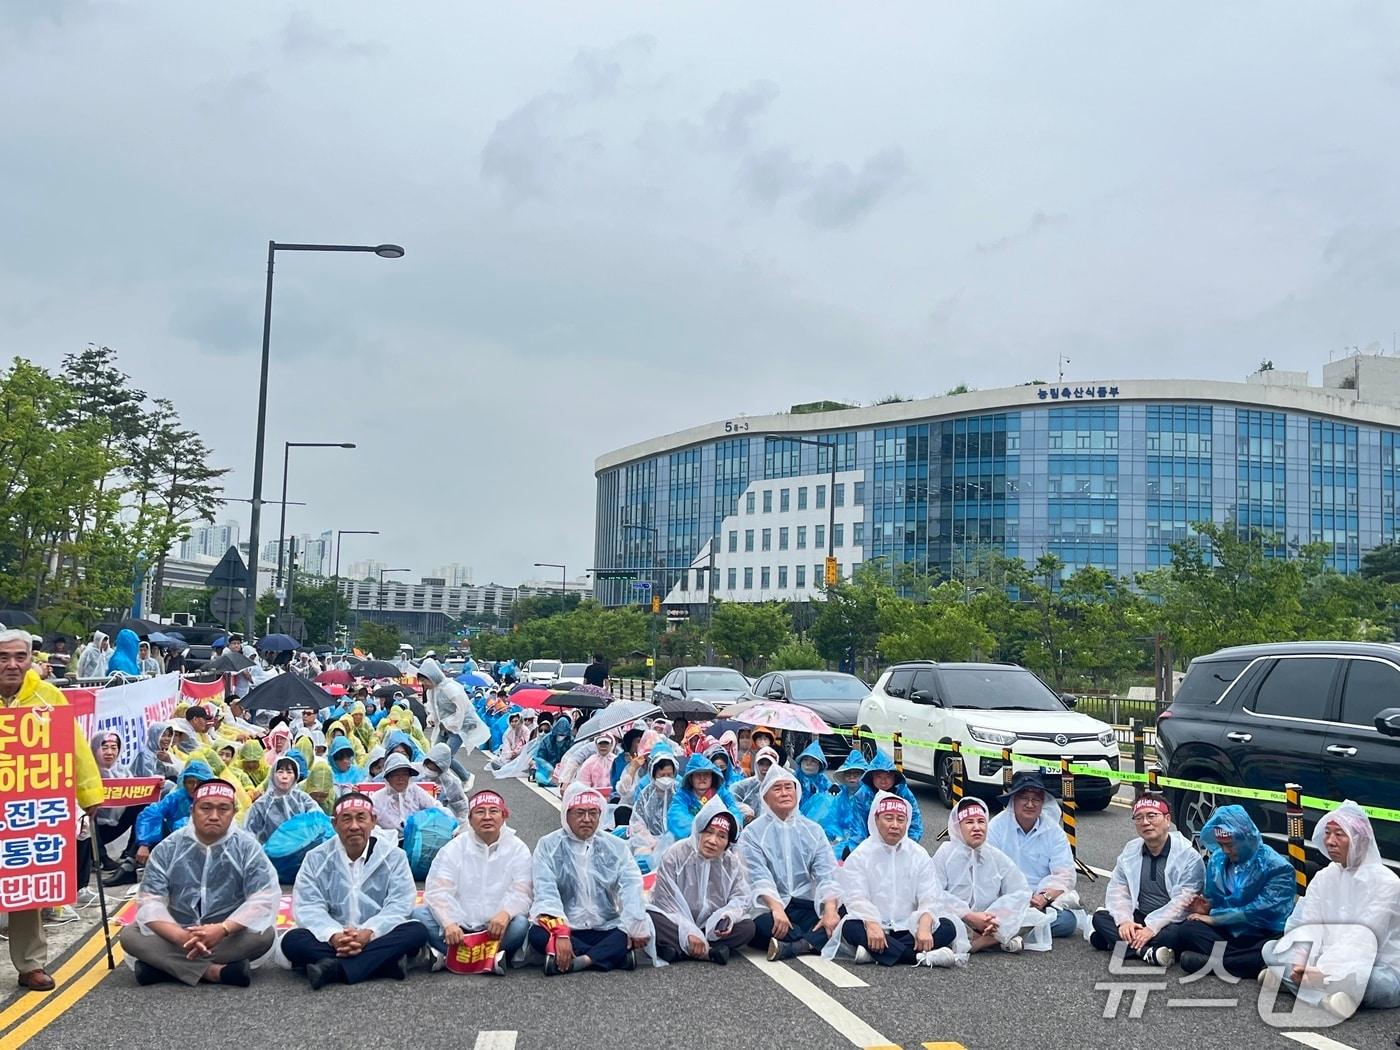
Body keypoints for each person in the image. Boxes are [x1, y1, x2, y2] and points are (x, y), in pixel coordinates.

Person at [0, 629, 105, 989]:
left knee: (24, 880)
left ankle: (30, 964)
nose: (12, 665)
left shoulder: (48, 696)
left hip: (25, 808)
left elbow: (74, 748)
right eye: (3, 657)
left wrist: (90, 793)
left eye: (19, 657)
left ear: (31, 659)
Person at [119, 779, 278, 987]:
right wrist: (179, 936)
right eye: (206, 808)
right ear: (192, 810)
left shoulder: (248, 847)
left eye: (223, 809)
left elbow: (263, 898)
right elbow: (151, 902)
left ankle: (165, 969)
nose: (214, 816)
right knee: (130, 935)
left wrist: (222, 929)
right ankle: (214, 972)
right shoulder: (168, 848)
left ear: (233, 812)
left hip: (226, 934)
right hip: (177, 932)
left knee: (264, 935)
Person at [1262, 799, 1400, 1016]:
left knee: (1370, 981)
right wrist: (1302, 962)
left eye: (1340, 834)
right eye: (1327, 833)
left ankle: (1292, 983)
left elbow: (1363, 939)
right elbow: (1307, 923)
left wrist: (1325, 973)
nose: (1330, 841)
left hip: (1375, 966)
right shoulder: (1325, 876)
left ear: (1360, 840)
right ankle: (1327, 997)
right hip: (1320, 961)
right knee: (1270, 948)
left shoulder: (1387, 884)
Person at [281, 792, 429, 988]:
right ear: (334, 824)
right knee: (293, 940)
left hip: (377, 936)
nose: (354, 826)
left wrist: (369, 932)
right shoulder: (316, 858)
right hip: (333, 939)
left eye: (361, 818)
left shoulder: (394, 856)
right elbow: (309, 906)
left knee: (416, 931)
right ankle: (383, 964)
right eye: (346, 819)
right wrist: (334, 935)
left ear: (373, 821)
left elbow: (400, 903)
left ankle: (334, 969)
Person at [1146, 804, 1294, 978]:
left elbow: (1262, 910)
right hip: (1228, 931)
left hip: (1260, 932)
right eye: (1221, 844)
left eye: (1230, 845)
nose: (1225, 850)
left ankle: (1220, 963)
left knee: (1276, 945)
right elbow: (1216, 900)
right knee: (1188, 929)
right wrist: (1206, 907)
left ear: (1246, 837)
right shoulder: (1218, 860)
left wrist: (1214, 918)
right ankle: (1247, 964)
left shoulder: (1278, 867)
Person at [530, 784, 652, 974]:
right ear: (566, 814)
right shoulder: (548, 845)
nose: (587, 819)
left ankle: (580, 960)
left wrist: (635, 924)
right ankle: (612, 957)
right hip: (567, 927)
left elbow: (631, 886)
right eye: (580, 813)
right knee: (536, 933)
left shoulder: (615, 846)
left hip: (605, 925)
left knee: (633, 929)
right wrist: (561, 934)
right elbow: (545, 892)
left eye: (593, 813)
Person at [834, 791, 963, 968]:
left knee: (947, 927)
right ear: (876, 819)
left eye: (900, 820)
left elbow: (929, 896)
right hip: (874, 928)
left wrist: (924, 926)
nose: (895, 825)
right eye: (889, 818)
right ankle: (921, 957)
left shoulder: (919, 854)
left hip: (910, 928)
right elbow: (856, 898)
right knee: (850, 926)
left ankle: (876, 954)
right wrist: (871, 923)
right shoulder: (860, 855)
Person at [415, 789, 533, 973]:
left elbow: (522, 892)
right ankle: (489, 958)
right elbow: (437, 891)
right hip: (457, 929)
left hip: (495, 929)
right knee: (418, 915)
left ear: (503, 816)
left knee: (520, 925)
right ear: (470, 819)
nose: (487, 817)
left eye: (493, 811)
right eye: (480, 812)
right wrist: (449, 923)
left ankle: (448, 956)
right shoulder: (454, 848)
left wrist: (505, 914)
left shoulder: (518, 849)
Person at [740, 765, 842, 961]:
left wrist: (829, 910)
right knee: (755, 927)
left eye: (789, 787)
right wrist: (777, 908)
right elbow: (757, 877)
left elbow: (826, 873)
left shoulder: (813, 830)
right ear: (765, 796)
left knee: (843, 916)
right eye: (777, 789)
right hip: (771, 907)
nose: (785, 793)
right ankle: (817, 941)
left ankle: (797, 946)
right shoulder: (752, 833)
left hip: (805, 904)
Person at [1090, 794, 1205, 965]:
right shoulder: (1130, 851)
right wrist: (1125, 921)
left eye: (1152, 816)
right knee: (1100, 918)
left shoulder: (1188, 856)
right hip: (1139, 917)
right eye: (1139, 817)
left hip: (1170, 922)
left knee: (1184, 932)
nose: (1145, 822)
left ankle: (1117, 944)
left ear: (1167, 819)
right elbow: (1118, 891)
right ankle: (1144, 951)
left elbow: (1182, 903)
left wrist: (1151, 928)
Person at [648, 797, 755, 964]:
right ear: (698, 830)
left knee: (748, 927)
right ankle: (708, 952)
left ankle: (680, 950)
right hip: (675, 922)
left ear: (728, 842)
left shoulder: (730, 863)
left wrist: (727, 916)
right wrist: (688, 930)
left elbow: (741, 897)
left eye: (721, 836)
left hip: (709, 927)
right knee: (649, 916)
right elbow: (664, 901)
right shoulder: (675, 854)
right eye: (709, 832)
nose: (713, 841)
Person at [986, 771, 1080, 944]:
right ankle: (1021, 932)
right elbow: (988, 871)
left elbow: (1065, 874)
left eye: (1036, 799)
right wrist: (1017, 896)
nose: (1030, 804)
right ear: (1013, 800)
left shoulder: (1053, 831)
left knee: (1068, 921)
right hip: (1005, 898)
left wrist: (1045, 897)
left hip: (1039, 901)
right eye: (1024, 798)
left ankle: (1008, 934)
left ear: (1042, 802)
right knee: (985, 911)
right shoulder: (996, 827)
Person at [933, 796, 1031, 953]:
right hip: (958, 918)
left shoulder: (995, 855)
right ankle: (993, 940)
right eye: (969, 822)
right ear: (958, 827)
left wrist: (993, 916)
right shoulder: (945, 853)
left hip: (989, 920)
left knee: (1031, 915)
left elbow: (1020, 890)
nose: (977, 827)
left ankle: (978, 943)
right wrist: (969, 915)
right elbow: (933, 892)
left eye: (981, 821)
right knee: (941, 923)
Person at [128, 761, 216, 870]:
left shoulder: (216, 801)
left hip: (204, 848)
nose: (195, 786)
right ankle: (131, 863)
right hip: (175, 845)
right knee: (154, 822)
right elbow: (151, 813)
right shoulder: (176, 797)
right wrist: (144, 844)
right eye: (190, 782)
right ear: (183, 783)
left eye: (200, 782)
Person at [418, 656, 486, 777]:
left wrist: (453, 723)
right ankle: (439, 780)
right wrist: (433, 719)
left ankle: (466, 776)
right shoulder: (431, 691)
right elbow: (434, 709)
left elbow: (462, 708)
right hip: (444, 728)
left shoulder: (449, 687)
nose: (424, 684)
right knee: (435, 756)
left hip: (459, 727)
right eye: (422, 681)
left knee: (445, 757)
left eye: (425, 680)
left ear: (432, 676)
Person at [845, 750, 923, 850]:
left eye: (888, 776)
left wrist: (908, 845)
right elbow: (858, 827)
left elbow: (915, 821)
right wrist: (861, 850)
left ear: (894, 777)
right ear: (872, 776)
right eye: (879, 776)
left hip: (900, 842)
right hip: (871, 844)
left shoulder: (903, 793)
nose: (883, 781)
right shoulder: (863, 795)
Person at [243, 755, 321, 844]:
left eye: (289, 772)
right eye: (280, 772)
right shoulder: (261, 804)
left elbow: (317, 817)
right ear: (272, 775)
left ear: (296, 776)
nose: (284, 776)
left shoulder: (303, 799)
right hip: (269, 854)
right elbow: (249, 833)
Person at [666, 753, 741, 841]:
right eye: (698, 775)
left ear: (712, 777)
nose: (702, 778)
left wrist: (724, 830)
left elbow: (734, 812)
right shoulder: (682, 796)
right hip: (691, 841)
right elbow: (677, 818)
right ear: (690, 778)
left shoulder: (722, 793)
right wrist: (704, 833)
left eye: (706, 774)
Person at [628, 748, 679, 873]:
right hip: (649, 843)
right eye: (662, 775)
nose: (666, 778)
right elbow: (637, 822)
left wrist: (670, 840)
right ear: (653, 774)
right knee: (643, 862)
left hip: (676, 842)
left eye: (669, 775)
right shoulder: (646, 795)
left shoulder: (680, 793)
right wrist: (652, 842)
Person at [372, 753, 441, 832]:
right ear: (388, 777)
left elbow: (436, 808)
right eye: (396, 774)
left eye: (405, 774)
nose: (401, 778)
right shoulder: (377, 799)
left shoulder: (416, 792)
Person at [420, 742, 471, 820]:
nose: (430, 771)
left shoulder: (451, 782)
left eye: (435, 769)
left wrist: (457, 824)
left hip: (438, 819)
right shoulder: (415, 770)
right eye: (429, 767)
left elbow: (462, 807)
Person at [732, 745, 780, 818]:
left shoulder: (781, 787)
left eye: (769, 764)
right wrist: (742, 808)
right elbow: (730, 800)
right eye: (761, 764)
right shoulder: (745, 785)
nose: (765, 768)